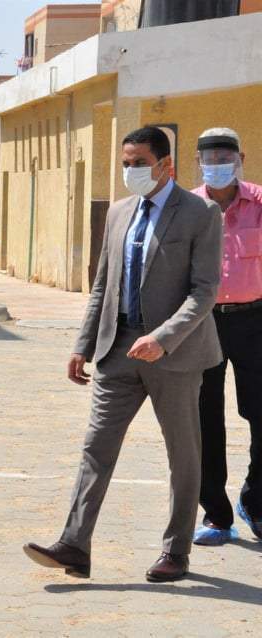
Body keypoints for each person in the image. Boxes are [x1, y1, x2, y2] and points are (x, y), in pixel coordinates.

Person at [24, 126, 223, 582]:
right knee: (96, 447)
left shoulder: (201, 213)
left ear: (166, 165)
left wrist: (163, 337)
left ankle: (176, 551)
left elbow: (204, 291)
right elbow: (103, 285)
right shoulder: (118, 212)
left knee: (183, 455)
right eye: (126, 163)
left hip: (174, 355)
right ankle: (75, 545)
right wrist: (83, 344)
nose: (131, 171)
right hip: (117, 350)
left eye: (139, 163)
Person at [191, 127, 262, 545]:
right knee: (205, 419)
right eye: (210, 158)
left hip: (256, 321)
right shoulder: (187, 207)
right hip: (203, 323)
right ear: (198, 162)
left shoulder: (261, 203)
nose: (217, 165)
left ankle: (256, 502)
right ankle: (216, 516)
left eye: (225, 158)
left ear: (240, 160)